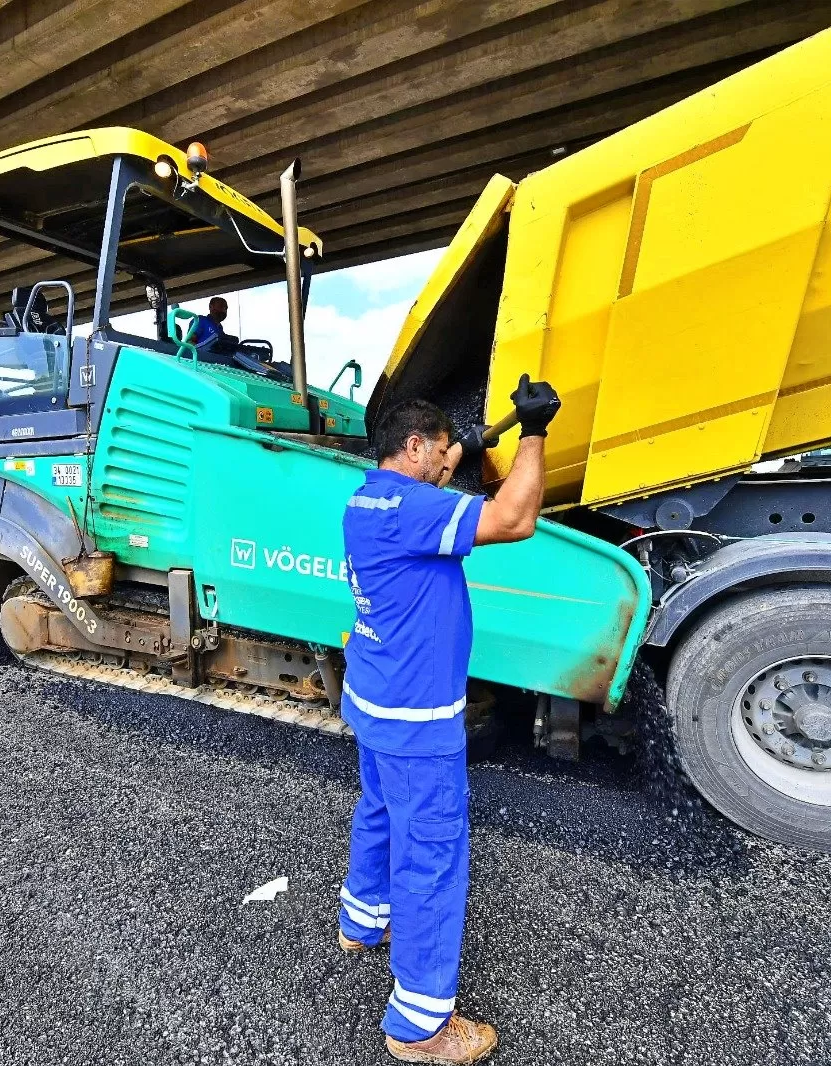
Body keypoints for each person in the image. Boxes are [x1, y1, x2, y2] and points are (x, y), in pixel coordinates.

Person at [337, 375, 561, 1065]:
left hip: (374, 701)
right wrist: (534, 430)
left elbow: (448, 487)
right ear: (412, 447)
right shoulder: (411, 508)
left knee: (379, 810)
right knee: (431, 857)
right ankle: (419, 1026)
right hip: (415, 718)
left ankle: (361, 922)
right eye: (439, 453)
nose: (448, 464)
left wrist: (463, 448)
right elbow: (516, 520)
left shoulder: (367, 497)